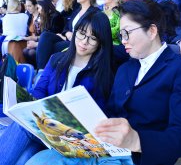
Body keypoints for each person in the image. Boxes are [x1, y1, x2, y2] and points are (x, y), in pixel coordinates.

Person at [0, 11, 133, 165]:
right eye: (82, 34)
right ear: (75, 32)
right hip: (47, 130)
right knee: (23, 154)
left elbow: (102, 113)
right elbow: (39, 92)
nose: (84, 42)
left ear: (101, 42)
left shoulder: (105, 72)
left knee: (22, 140)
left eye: (93, 38)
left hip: (75, 137)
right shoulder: (57, 59)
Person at [95, 0, 181, 165]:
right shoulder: (125, 69)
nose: (123, 40)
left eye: (127, 33)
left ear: (152, 31)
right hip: (109, 154)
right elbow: (112, 112)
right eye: (121, 35)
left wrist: (137, 141)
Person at [36, 0, 99, 70]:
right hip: (68, 39)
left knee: (52, 46)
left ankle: (43, 71)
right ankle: (41, 71)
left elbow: (90, 33)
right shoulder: (77, 11)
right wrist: (67, 34)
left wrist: (73, 36)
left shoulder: (95, 13)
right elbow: (65, 28)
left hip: (80, 42)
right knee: (45, 36)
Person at [23, 0, 41, 68]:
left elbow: (43, 34)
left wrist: (33, 40)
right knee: (24, 51)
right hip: (31, 41)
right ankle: (32, 70)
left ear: (36, 5)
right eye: (26, 6)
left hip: (39, 41)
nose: (27, 8)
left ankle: (37, 69)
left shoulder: (41, 17)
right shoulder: (30, 17)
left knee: (31, 52)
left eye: (29, 6)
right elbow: (28, 33)